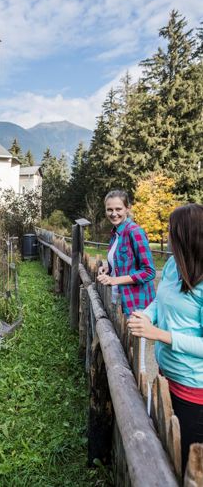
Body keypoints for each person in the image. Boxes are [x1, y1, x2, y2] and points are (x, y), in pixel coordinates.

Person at [128, 203, 203, 475]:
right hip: (166, 375)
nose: (167, 236)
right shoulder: (173, 265)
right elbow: (160, 303)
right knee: (168, 456)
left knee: (188, 466)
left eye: (171, 231)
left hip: (194, 391)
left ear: (187, 236)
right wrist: (147, 316)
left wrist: (160, 335)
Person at [97, 189, 156, 316]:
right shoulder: (115, 233)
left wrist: (114, 280)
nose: (113, 214)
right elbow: (125, 262)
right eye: (109, 209)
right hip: (119, 302)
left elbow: (149, 272)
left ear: (127, 209)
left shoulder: (135, 232)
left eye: (118, 209)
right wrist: (109, 268)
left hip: (135, 305)